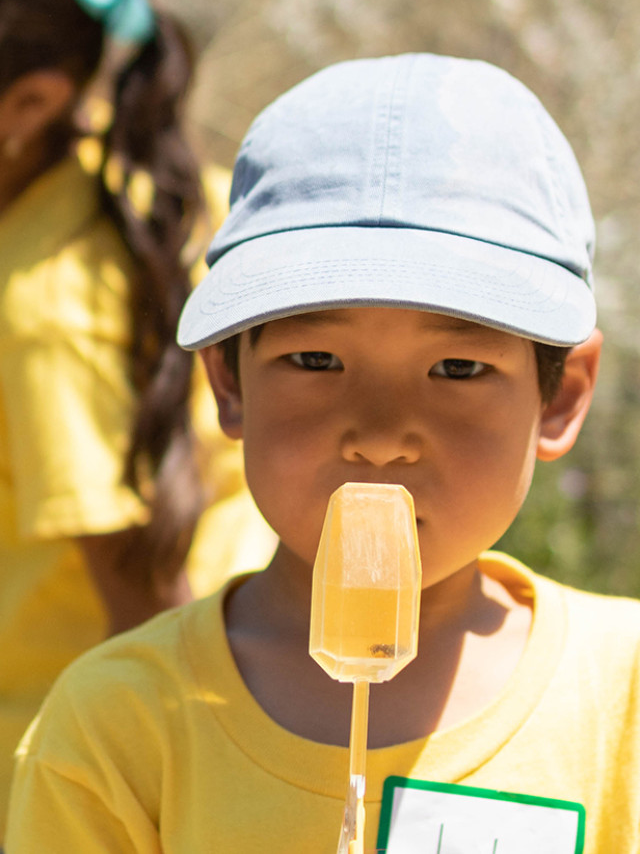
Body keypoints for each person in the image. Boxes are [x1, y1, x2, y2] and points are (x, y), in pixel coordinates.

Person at [7, 52, 638, 854]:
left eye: (458, 368)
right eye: (314, 361)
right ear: (228, 383)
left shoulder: (623, 700)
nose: (379, 435)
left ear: (560, 394)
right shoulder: (119, 729)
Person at [0, 0, 273, 838]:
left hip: (91, 776)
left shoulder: (47, 309)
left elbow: (143, 586)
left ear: (31, 101)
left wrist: (196, 796)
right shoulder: (166, 193)